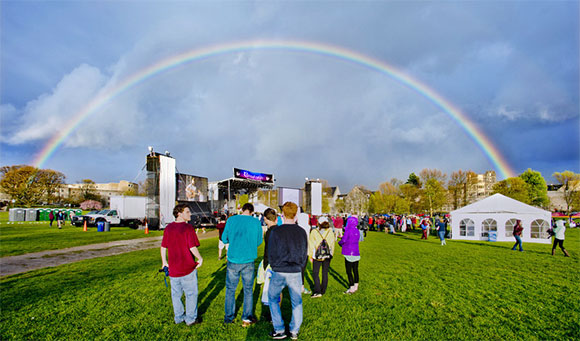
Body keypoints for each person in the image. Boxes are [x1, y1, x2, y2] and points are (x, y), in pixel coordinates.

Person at [267, 202, 308, 340]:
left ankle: (279, 328)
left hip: (280, 269)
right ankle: (294, 330)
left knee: (272, 298)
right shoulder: (301, 231)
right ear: (295, 214)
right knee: (296, 301)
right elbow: (304, 252)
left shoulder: (277, 231)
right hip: (295, 270)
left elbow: (271, 251)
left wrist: (273, 265)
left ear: (282, 214)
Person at [160, 204, 203, 326]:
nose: (190, 214)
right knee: (191, 294)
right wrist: (200, 258)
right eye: (187, 212)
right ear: (179, 213)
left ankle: (178, 317)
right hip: (187, 268)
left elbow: (163, 247)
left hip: (174, 269)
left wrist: (164, 262)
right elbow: (192, 247)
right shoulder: (188, 228)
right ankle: (190, 319)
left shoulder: (168, 228)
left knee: (176, 295)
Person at [221, 203, 263, 326]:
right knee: (248, 290)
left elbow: (224, 238)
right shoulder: (255, 222)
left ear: (242, 210)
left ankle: (229, 317)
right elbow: (259, 241)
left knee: (230, 289)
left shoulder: (232, 219)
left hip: (233, 258)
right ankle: (246, 317)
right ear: (251, 212)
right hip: (248, 259)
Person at [308, 216, 336, 298]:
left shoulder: (314, 231)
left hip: (317, 255)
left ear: (318, 223)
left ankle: (317, 291)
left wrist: (310, 255)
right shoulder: (330, 232)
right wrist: (332, 254)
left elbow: (311, 244)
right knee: (325, 273)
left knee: (315, 273)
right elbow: (332, 244)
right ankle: (323, 290)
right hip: (327, 255)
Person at [259, 208, 278, 321]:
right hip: (280, 263)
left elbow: (268, 250)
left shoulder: (269, 232)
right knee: (278, 291)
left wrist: (266, 265)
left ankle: (273, 314)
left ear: (265, 219)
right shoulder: (280, 230)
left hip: (271, 263)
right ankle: (276, 313)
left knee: (271, 291)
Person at [339, 216, 360, 294]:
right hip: (356, 252)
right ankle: (356, 285)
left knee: (349, 271)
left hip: (348, 252)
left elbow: (344, 240)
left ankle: (351, 287)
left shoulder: (348, 230)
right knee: (355, 270)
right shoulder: (357, 230)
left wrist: (340, 243)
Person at [296, 207, 312, 295]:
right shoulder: (307, 227)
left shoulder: (297, 227)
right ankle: (301, 286)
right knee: (302, 270)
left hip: (297, 251)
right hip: (304, 251)